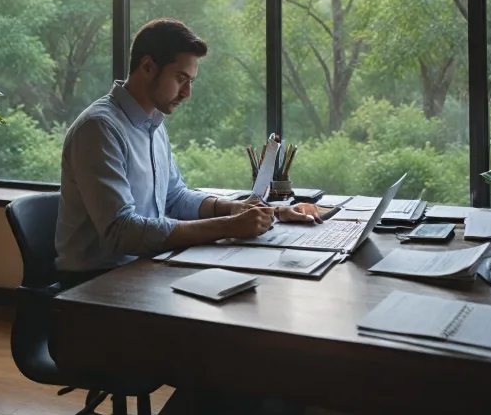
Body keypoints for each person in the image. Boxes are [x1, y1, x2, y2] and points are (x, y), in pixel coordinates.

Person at [55, 17, 320, 285]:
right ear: (147, 67)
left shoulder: (153, 125)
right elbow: (121, 232)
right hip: (93, 284)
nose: (188, 93)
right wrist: (228, 226)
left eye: (190, 81)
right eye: (181, 79)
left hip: (145, 268)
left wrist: (237, 209)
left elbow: (175, 198)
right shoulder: (99, 129)